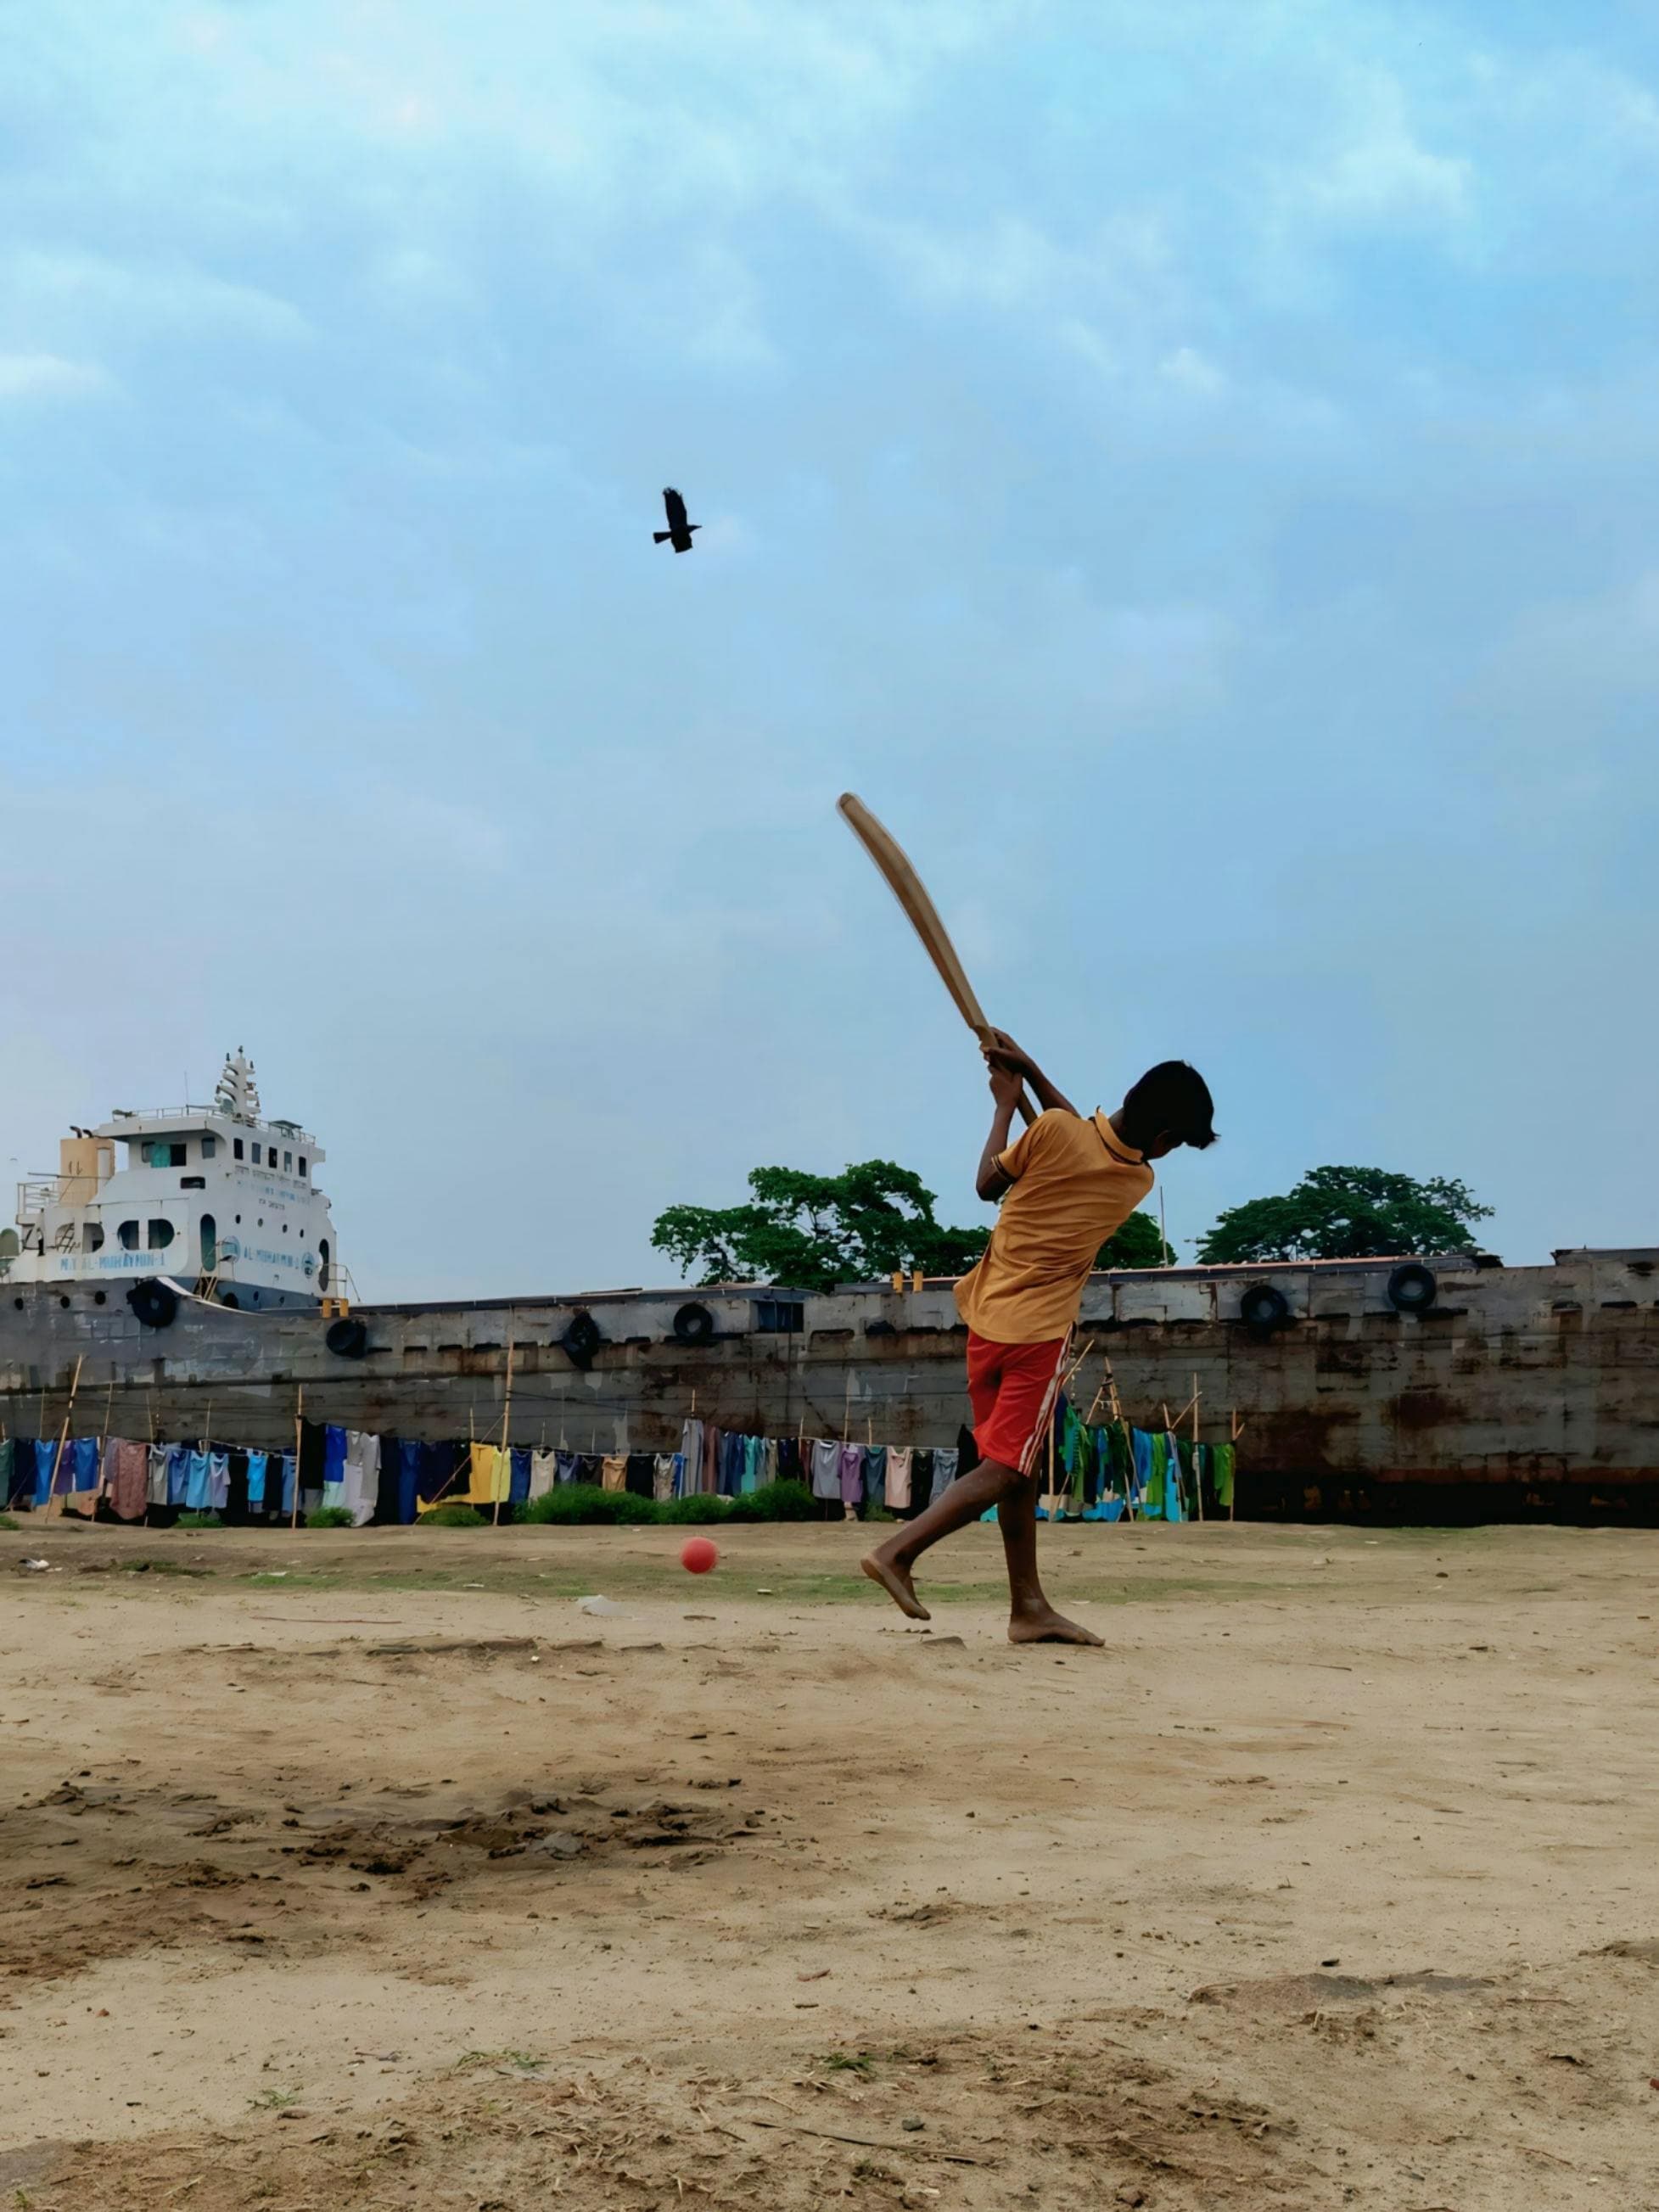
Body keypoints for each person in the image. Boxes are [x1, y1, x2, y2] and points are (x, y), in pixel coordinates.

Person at [862, 1033, 1215, 1644]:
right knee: (1005, 1466)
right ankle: (898, 1551)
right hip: (1037, 1333)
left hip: (984, 1319)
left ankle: (1027, 1606)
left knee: (1017, 1470)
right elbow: (1079, 1136)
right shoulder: (1135, 1182)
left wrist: (1007, 1096)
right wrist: (1021, 1087)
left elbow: (992, 1179)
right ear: (1161, 1142)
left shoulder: (1054, 1134)